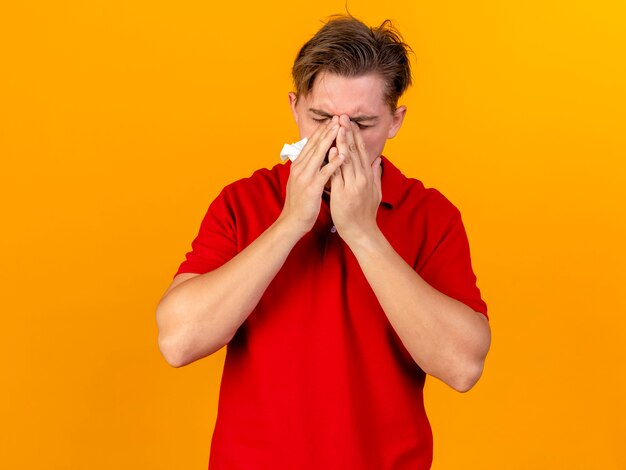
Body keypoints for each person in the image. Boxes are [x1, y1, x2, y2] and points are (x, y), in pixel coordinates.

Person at [156, 14, 491, 470]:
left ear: (395, 121)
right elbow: (178, 341)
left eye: (362, 122)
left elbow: (462, 366)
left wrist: (363, 232)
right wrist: (291, 221)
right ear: (295, 108)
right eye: (320, 119)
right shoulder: (242, 202)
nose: (338, 140)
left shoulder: (431, 216)